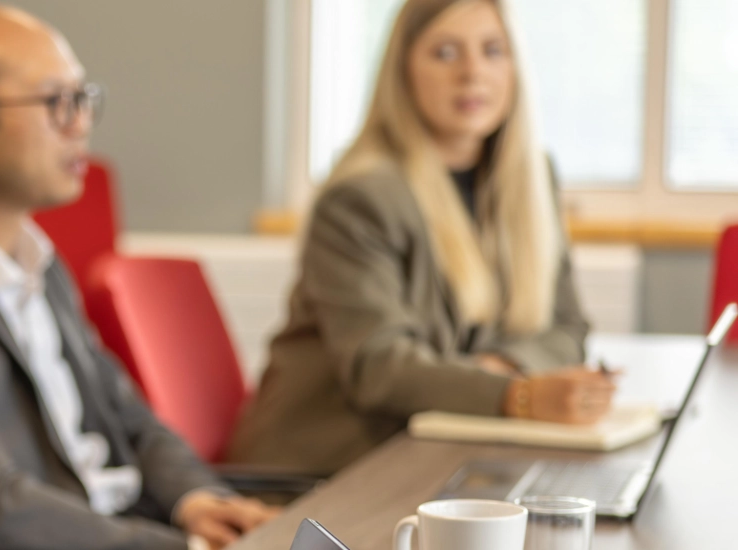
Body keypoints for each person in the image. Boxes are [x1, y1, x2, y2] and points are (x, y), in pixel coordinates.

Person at [0, 7, 277, 550]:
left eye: (83, 98)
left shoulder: (39, 260)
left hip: (130, 523)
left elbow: (126, 416)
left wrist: (199, 501)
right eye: (55, 102)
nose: (81, 123)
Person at [229, 0, 611, 475]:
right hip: (334, 468)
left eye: (493, 50)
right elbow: (379, 368)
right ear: (403, 70)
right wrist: (517, 394)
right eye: (446, 53)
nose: (472, 73)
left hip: (449, 451)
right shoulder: (360, 199)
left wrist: (497, 367)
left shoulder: (534, 181)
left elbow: (568, 327)